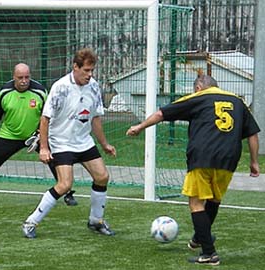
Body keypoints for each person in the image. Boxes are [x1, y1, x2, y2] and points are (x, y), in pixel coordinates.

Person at [126, 75, 260, 266]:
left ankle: (209, 253)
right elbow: (253, 133)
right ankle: (199, 238)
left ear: (198, 87)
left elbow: (161, 113)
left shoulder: (199, 97)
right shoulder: (238, 101)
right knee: (214, 199)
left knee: (196, 203)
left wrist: (140, 127)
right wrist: (254, 161)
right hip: (229, 157)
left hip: (203, 155)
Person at [22, 48, 116, 239]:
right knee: (65, 184)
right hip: (61, 142)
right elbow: (45, 118)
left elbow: (96, 118)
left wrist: (104, 144)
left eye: (92, 71)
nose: (90, 75)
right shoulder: (61, 87)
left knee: (102, 177)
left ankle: (95, 221)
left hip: (83, 141)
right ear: (75, 67)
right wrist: (44, 147)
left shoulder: (94, 87)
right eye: (86, 70)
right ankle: (30, 222)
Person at [0, 63, 77, 206]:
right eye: (20, 77)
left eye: (27, 77)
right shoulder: (5, 92)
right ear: (14, 77)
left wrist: (39, 134)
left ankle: (67, 193)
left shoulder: (40, 91)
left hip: (36, 136)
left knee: (56, 161)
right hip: (9, 135)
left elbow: (48, 117)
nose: (24, 81)